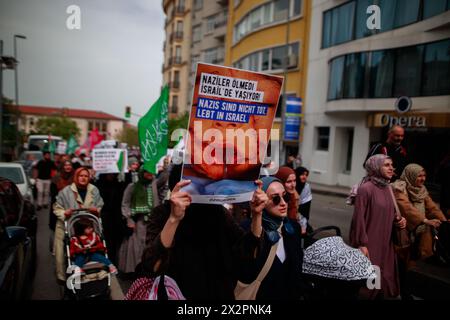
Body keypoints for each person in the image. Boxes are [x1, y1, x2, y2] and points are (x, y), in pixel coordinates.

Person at [236, 176, 304, 300]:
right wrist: (257, 215)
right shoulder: (246, 228)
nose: (283, 203)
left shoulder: (292, 228)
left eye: (286, 196)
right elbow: (247, 266)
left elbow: (297, 271)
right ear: (262, 200)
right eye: (276, 199)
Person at [349, 155, 407, 299]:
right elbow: (358, 219)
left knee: (385, 281)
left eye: (391, 165)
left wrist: (400, 220)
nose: (391, 168)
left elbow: (391, 213)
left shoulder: (388, 188)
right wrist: (361, 244)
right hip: (370, 246)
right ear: (375, 167)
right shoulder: (365, 189)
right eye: (386, 165)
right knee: (369, 285)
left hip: (386, 245)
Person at [53, 167, 104, 283]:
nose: (83, 178)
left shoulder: (94, 190)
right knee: (61, 250)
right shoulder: (65, 191)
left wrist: (97, 210)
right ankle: (62, 277)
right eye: (81, 175)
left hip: (86, 226)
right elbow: (56, 208)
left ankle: (89, 273)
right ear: (76, 177)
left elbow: (100, 205)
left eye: (86, 176)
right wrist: (64, 213)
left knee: (91, 247)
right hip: (67, 225)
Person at [392, 163, 448, 262]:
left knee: (417, 256)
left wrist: (445, 221)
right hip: (401, 228)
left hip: (418, 227)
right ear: (411, 175)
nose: (423, 179)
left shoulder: (421, 189)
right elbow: (407, 208)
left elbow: (432, 208)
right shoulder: (398, 188)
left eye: (424, 175)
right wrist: (425, 220)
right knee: (401, 259)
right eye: (419, 176)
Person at [118, 168, 168, 274]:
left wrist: (165, 168)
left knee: (151, 245)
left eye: (151, 171)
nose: (150, 173)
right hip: (138, 221)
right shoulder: (133, 186)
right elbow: (125, 203)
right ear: (142, 173)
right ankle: (136, 270)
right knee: (137, 247)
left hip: (153, 221)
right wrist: (129, 219)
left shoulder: (154, 184)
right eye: (146, 171)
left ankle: (149, 268)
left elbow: (164, 179)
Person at [95, 173, 128, 265]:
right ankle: (107, 262)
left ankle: (113, 263)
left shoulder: (119, 184)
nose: (111, 175)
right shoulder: (99, 184)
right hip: (104, 217)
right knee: (106, 241)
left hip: (116, 218)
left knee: (115, 242)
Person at [49, 160, 74, 252]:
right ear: (62, 166)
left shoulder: (75, 177)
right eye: (66, 165)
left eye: (70, 165)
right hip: (59, 206)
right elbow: (53, 194)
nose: (68, 167)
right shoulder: (56, 178)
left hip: (72, 207)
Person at [295, 167, 312, 233]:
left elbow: (306, 207)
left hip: (300, 217)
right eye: (302, 174)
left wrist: (303, 224)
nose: (304, 177)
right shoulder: (291, 184)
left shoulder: (306, 187)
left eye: (306, 175)